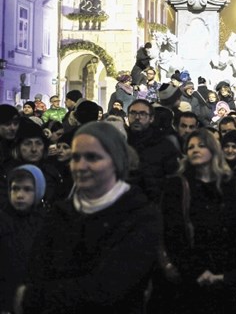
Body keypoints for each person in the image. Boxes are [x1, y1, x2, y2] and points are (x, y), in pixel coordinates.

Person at [13, 122, 161, 314]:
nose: (81, 166)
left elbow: (108, 288)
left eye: (92, 157)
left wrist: (34, 297)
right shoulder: (62, 212)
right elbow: (38, 270)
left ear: (115, 160)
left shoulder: (141, 215)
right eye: (76, 157)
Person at [160, 129, 236, 313]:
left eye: (201, 145)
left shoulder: (225, 183)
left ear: (213, 150)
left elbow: (233, 228)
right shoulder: (177, 186)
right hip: (192, 270)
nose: (194, 150)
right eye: (190, 147)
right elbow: (174, 233)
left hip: (223, 266)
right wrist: (195, 270)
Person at [0, 165, 46, 312]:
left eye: (27, 189)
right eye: (15, 188)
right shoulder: (2, 220)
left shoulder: (46, 221)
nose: (19, 195)